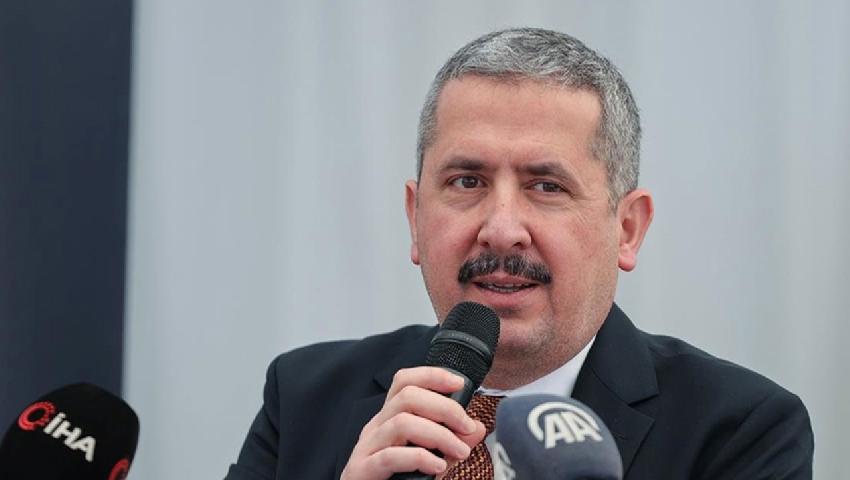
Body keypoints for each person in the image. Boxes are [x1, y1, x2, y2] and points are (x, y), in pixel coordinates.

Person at [224, 28, 814, 480]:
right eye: (466, 182)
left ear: (627, 229)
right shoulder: (303, 398)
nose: (502, 230)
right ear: (414, 217)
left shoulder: (741, 430)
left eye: (546, 186)